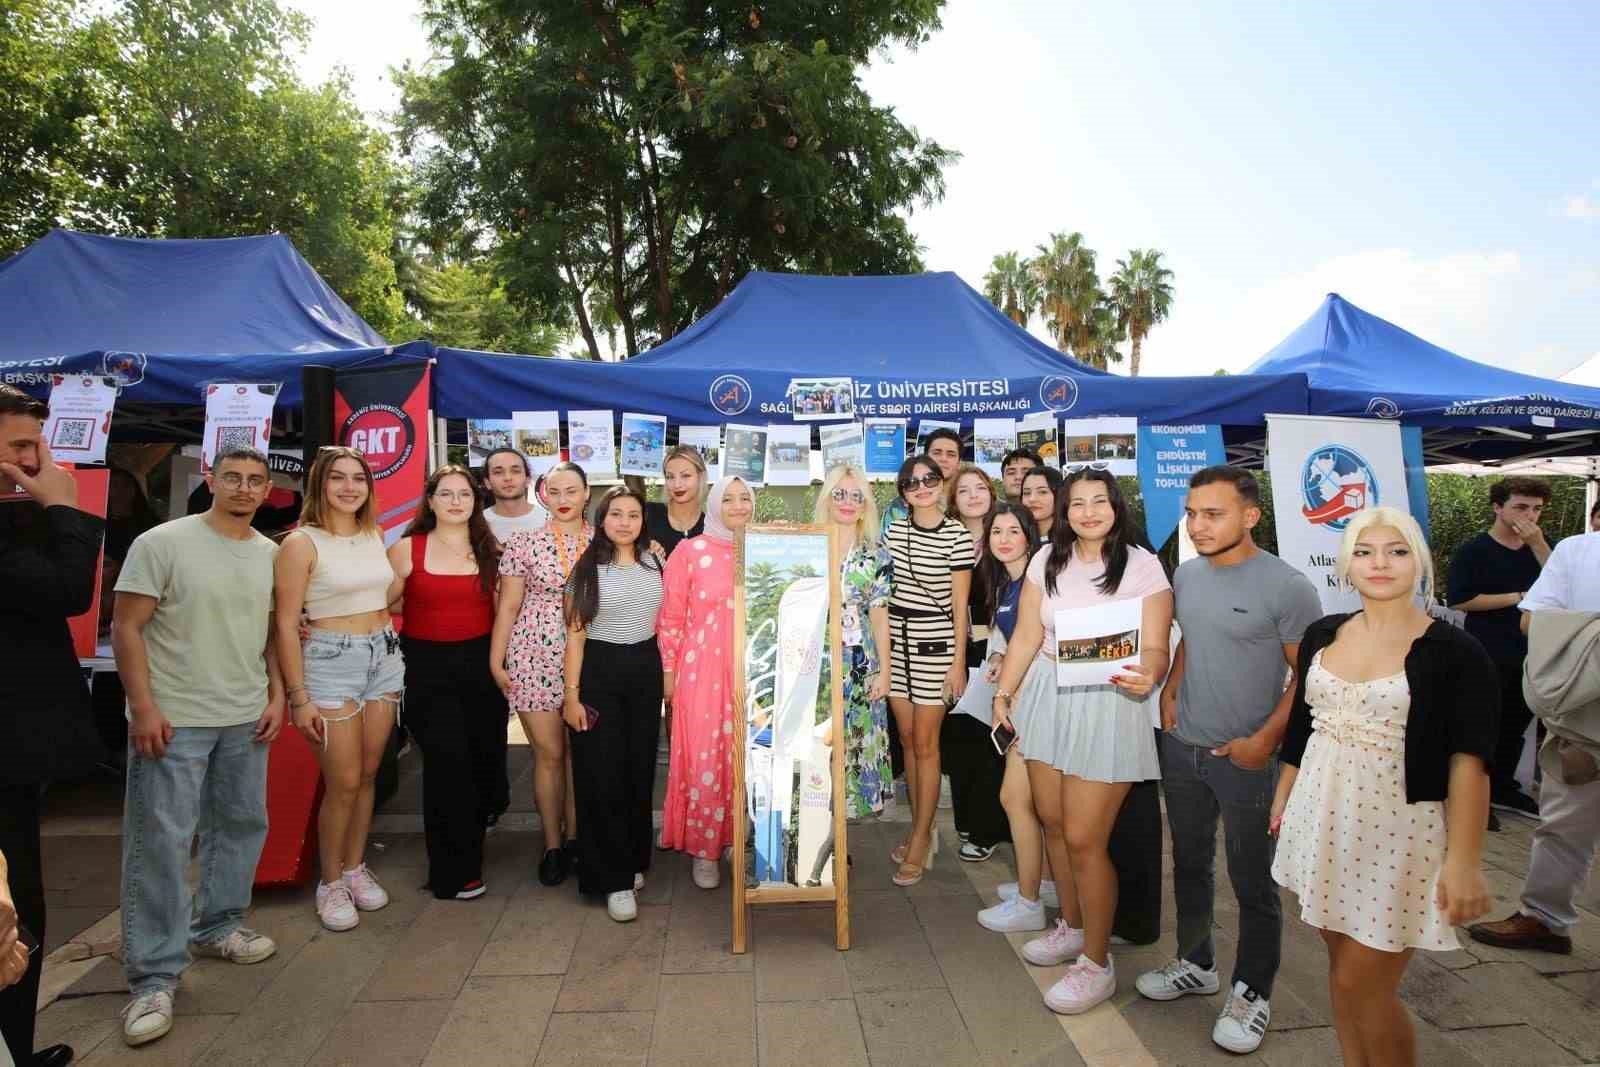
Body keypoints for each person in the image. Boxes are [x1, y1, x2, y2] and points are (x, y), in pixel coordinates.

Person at [1273, 507, 1495, 1066]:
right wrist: (1284, 792)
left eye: (1396, 551)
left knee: (1362, 985)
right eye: (1366, 551)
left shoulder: (1456, 653)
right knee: (1341, 971)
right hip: (1320, 820)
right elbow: (1302, 727)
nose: (1380, 563)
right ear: (1346, 564)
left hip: (1400, 833)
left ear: (1420, 561)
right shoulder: (1325, 632)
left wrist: (1465, 861)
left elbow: (1470, 763)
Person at [1137, 466, 1323, 1054]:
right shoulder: (1186, 575)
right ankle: (1197, 963)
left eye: (1212, 514)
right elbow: (1194, 634)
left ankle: (1252, 992)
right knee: (1189, 864)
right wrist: (1171, 685)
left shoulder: (1288, 587)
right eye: (1192, 513)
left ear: (1250, 515)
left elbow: (1309, 673)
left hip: (1244, 758)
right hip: (1183, 746)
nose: (1197, 525)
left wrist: (1265, 739)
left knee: (1252, 880)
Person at [111, 445, 285, 1048]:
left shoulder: (270, 554)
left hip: (244, 714)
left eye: (254, 481)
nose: (243, 488)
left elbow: (271, 635)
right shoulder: (163, 542)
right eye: (232, 477)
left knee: (240, 825)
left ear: (268, 491)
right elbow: (125, 627)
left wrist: (278, 694)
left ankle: (220, 925)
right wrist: (144, 707)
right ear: (210, 480)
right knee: (160, 841)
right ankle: (153, 975)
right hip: (175, 718)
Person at [989, 469, 1171, 1014]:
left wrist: (1151, 673)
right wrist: (1004, 693)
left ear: (1116, 506)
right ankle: (1070, 925)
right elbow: (1027, 634)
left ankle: (1097, 962)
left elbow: (1158, 647)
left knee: (1087, 837)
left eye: (1100, 501)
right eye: (1077, 503)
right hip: (1048, 693)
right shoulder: (1048, 559)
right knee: (1053, 822)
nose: (1088, 512)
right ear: (1064, 511)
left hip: (1110, 702)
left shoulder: (1142, 566)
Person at [0, 385, 103, 1067]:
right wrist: (64, 503)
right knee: (12, 909)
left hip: (17, 749)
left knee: (21, 904)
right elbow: (67, 588)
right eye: (20, 446)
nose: (38, 458)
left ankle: (14, 1047)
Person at [275, 446, 404, 932]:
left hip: (385, 655)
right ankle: (328, 882)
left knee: (370, 773)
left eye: (358, 478)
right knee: (343, 779)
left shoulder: (374, 534)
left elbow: (385, 593)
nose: (350, 487)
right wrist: (298, 695)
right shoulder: (300, 543)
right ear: (319, 485)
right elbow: (286, 624)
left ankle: (354, 867)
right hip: (330, 660)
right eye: (338, 478)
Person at [1469, 527, 1600, 954]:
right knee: (1564, 823)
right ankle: (1543, 919)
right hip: (1584, 713)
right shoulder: (1579, 551)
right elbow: (1530, 619)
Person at [389, 466, 506, 900]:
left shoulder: (491, 550)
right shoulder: (405, 550)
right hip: (425, 670)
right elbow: (373, 604)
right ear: (431, 500)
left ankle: (471, 854)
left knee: (479, 765)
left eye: (465, 494)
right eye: (446, 494)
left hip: (481, 668)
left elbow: (504, 614)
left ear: (476, 502)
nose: (456, 501)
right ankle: (451, 872)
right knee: (446, 767)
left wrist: (502, 667)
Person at [563, 487, 665, 922]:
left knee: (637, 770)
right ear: (601, 520)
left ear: (643, 521)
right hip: (599, 673)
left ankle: (632, 860)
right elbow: (575, 635)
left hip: (645, 669)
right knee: (601, 774)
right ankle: (613, 879)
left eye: (634, 515)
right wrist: (571, 696)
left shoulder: (655, 560)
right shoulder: (585, 571)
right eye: (616, 514)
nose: (625, 522)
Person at [492, 462, 590, 886]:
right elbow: (508, 606)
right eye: (556, 491)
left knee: (581, 755)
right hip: (533, 654)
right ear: (543, 495)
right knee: (549, 755)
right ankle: (552, 843)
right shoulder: (522, 544)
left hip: (590, 657)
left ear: (588, 494)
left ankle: (579, 841)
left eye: (573, 490)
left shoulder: (605, 541)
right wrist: (496, 660)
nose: (564, 499)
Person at [658, 478, 755, 889]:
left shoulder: (769, 546)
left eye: (745, 497)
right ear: (714, 504)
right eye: (727, 499)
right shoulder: (690, 551)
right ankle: (704, 849)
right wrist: (669, 676)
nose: (737, 505)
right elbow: (671, 619)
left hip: (758, 672)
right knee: (705, 759)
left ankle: (738, 838)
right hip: (702, 676)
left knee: (751, 759)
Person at [883, 454, 974, 886]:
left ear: (942, 483)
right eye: (911, 483)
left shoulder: (957, 536)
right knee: (906, 740)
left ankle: (921, 836)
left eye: (928, 480)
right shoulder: (893, 531)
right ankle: (922, 826)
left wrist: (958, 664)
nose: (921, 488)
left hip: (936, 645)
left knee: (926, 743)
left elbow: (960, 609)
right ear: (902, 491)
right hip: (894, 643)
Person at [1447, 476, 1551, 818]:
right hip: (1488, 650)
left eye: (1536, 509)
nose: (1529, 516)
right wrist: (1520, 598)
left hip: (1533, 651)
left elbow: (1564, 582)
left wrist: (1538, 547)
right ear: (1497, 507)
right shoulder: (1474, 551)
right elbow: (1461, 600)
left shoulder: (1545, 547)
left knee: (1517, 723)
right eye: (1520, 507)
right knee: (1484, 724)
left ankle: (1503, 787)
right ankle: (1475, 794)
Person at [812, 465, 893, 819]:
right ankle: (810, 834)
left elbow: (879, 617)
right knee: (816, 748)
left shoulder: (877, 554)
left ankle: (838, 841)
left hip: (859, 667)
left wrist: (885, 671)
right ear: (827, 499)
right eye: (839, 494)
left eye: (856, 495)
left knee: (852, 750)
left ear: (866, 504)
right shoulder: (805, 544)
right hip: (811, 662)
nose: (847, 502)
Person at [943, 465, 1008, 862]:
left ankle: (988, 829)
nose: (972, 495)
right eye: (963, 490)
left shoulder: (1005, 535)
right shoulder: (948, 539)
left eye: (979, 488)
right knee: (958, 740)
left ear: (991, 493)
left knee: (991, 743)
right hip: (954, 652)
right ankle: (967, 820)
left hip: (996, 653)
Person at [643, 445, 707, 558]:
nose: (677, 484)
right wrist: (640, 550)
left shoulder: (710, 527)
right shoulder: (646, 514)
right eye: (670, 477)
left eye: (685, 476)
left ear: (700, 476)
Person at [481, 447, 547, 544]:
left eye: (515, 471)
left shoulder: (550, 520)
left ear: (528, 479)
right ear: (487, 482)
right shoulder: (478, 523)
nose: (508, 478)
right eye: (498, 472)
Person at [1020, 465, 1063, 541]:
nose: (1032, 499)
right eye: (1027, 493)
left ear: (1058, 495)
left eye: (1042, 492)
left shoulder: (1072, 542)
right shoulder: (1017, 540)